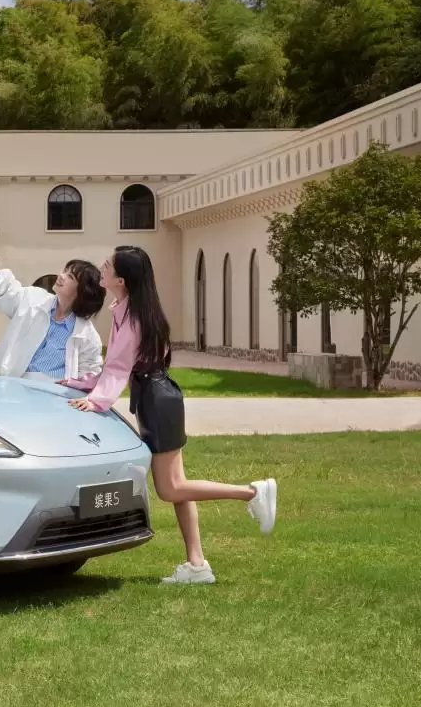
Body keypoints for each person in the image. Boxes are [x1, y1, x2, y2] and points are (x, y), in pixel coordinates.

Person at [60, 246, 277, 585]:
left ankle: (251, 492)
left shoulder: (133, 317)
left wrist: (97, 400)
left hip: (157, 400)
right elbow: (115, 366)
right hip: (158, 397)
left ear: (121, 280)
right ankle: (197, 565)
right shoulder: (129, 310)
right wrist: (79, 383)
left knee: (170, 488)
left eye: (108, 265)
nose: (101, 267)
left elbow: (118, 368)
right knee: (179, 488)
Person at [0, 220, 104, 382]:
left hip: (54, 393)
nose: (61, 276)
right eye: (64, 271)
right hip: (13, 387)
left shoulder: (87, 335)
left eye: (70, 277)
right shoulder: (32, 299)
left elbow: (89, 377)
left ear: (81, 291)